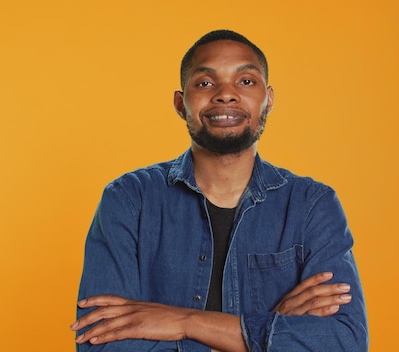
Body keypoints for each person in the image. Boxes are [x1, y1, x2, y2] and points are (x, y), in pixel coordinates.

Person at [70, 29, 368, 351]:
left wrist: (185, 322)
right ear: (180, 103)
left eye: (245, 81)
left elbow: (344, 342)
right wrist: (267, 327)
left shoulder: (312, 206)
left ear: (268, 100)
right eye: (205, 83)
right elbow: (100, 343)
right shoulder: (129, 201)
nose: (225, 94)